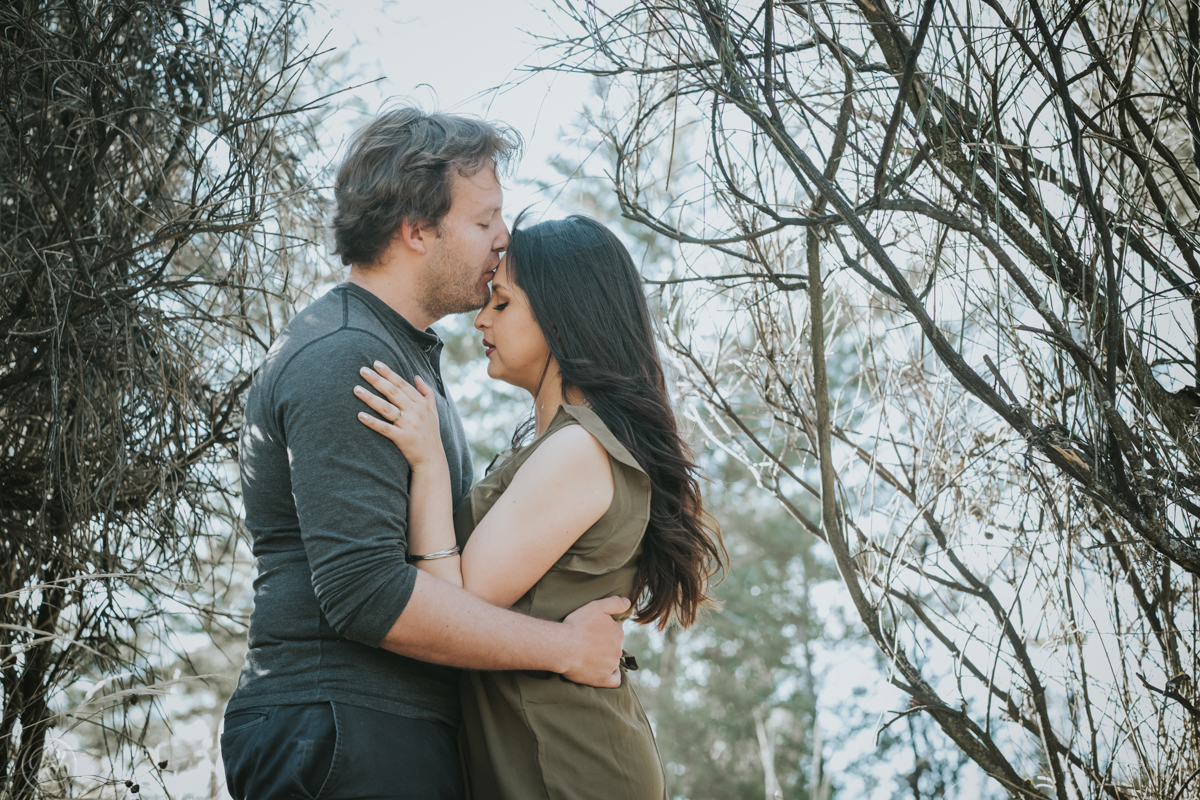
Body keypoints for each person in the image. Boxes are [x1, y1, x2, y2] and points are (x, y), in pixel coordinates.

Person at [220, 110, 631, 800]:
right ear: (416, 230)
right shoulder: (346, 356)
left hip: (377, 730)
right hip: (344, 731)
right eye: (483, 222)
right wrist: (566, 649)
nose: (504, 241)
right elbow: (366, 592)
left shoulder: (392, 354)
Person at [355, 214, 727, 800]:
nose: (480, 317)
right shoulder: (559, 447)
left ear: (562, 315)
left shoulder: (579, 449)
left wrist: (427, 465)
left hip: (570, 766)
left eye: (501, 303)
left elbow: (454, 611)